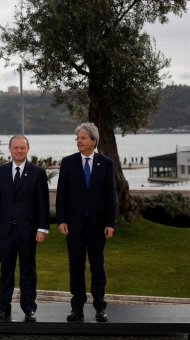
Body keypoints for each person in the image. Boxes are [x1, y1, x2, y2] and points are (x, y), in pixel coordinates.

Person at [56, 122, 116, 323]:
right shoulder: (68, 162)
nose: (79, 141)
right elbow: (61, 194)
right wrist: (61, 219)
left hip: (98, 226)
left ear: (94, 141)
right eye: (77, 138)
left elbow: (111, 197)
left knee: (97, 266)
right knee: (76, 267)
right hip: (74, 226)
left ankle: (100, 307)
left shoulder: (105, 164)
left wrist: (110, 223)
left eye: (83, 138)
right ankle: (77, 308)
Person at [0, 134, 49, 322]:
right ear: (10, 149)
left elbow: (43, 204)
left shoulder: (38, 173)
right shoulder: (0, 172)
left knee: (28, 271)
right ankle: (3, 307)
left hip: (29, 232)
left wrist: (42, 229)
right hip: (5, 231)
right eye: (16, 147)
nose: (19, 150)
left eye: (22, 147)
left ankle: (29, 308)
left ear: (27, 149)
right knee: (5, 270)